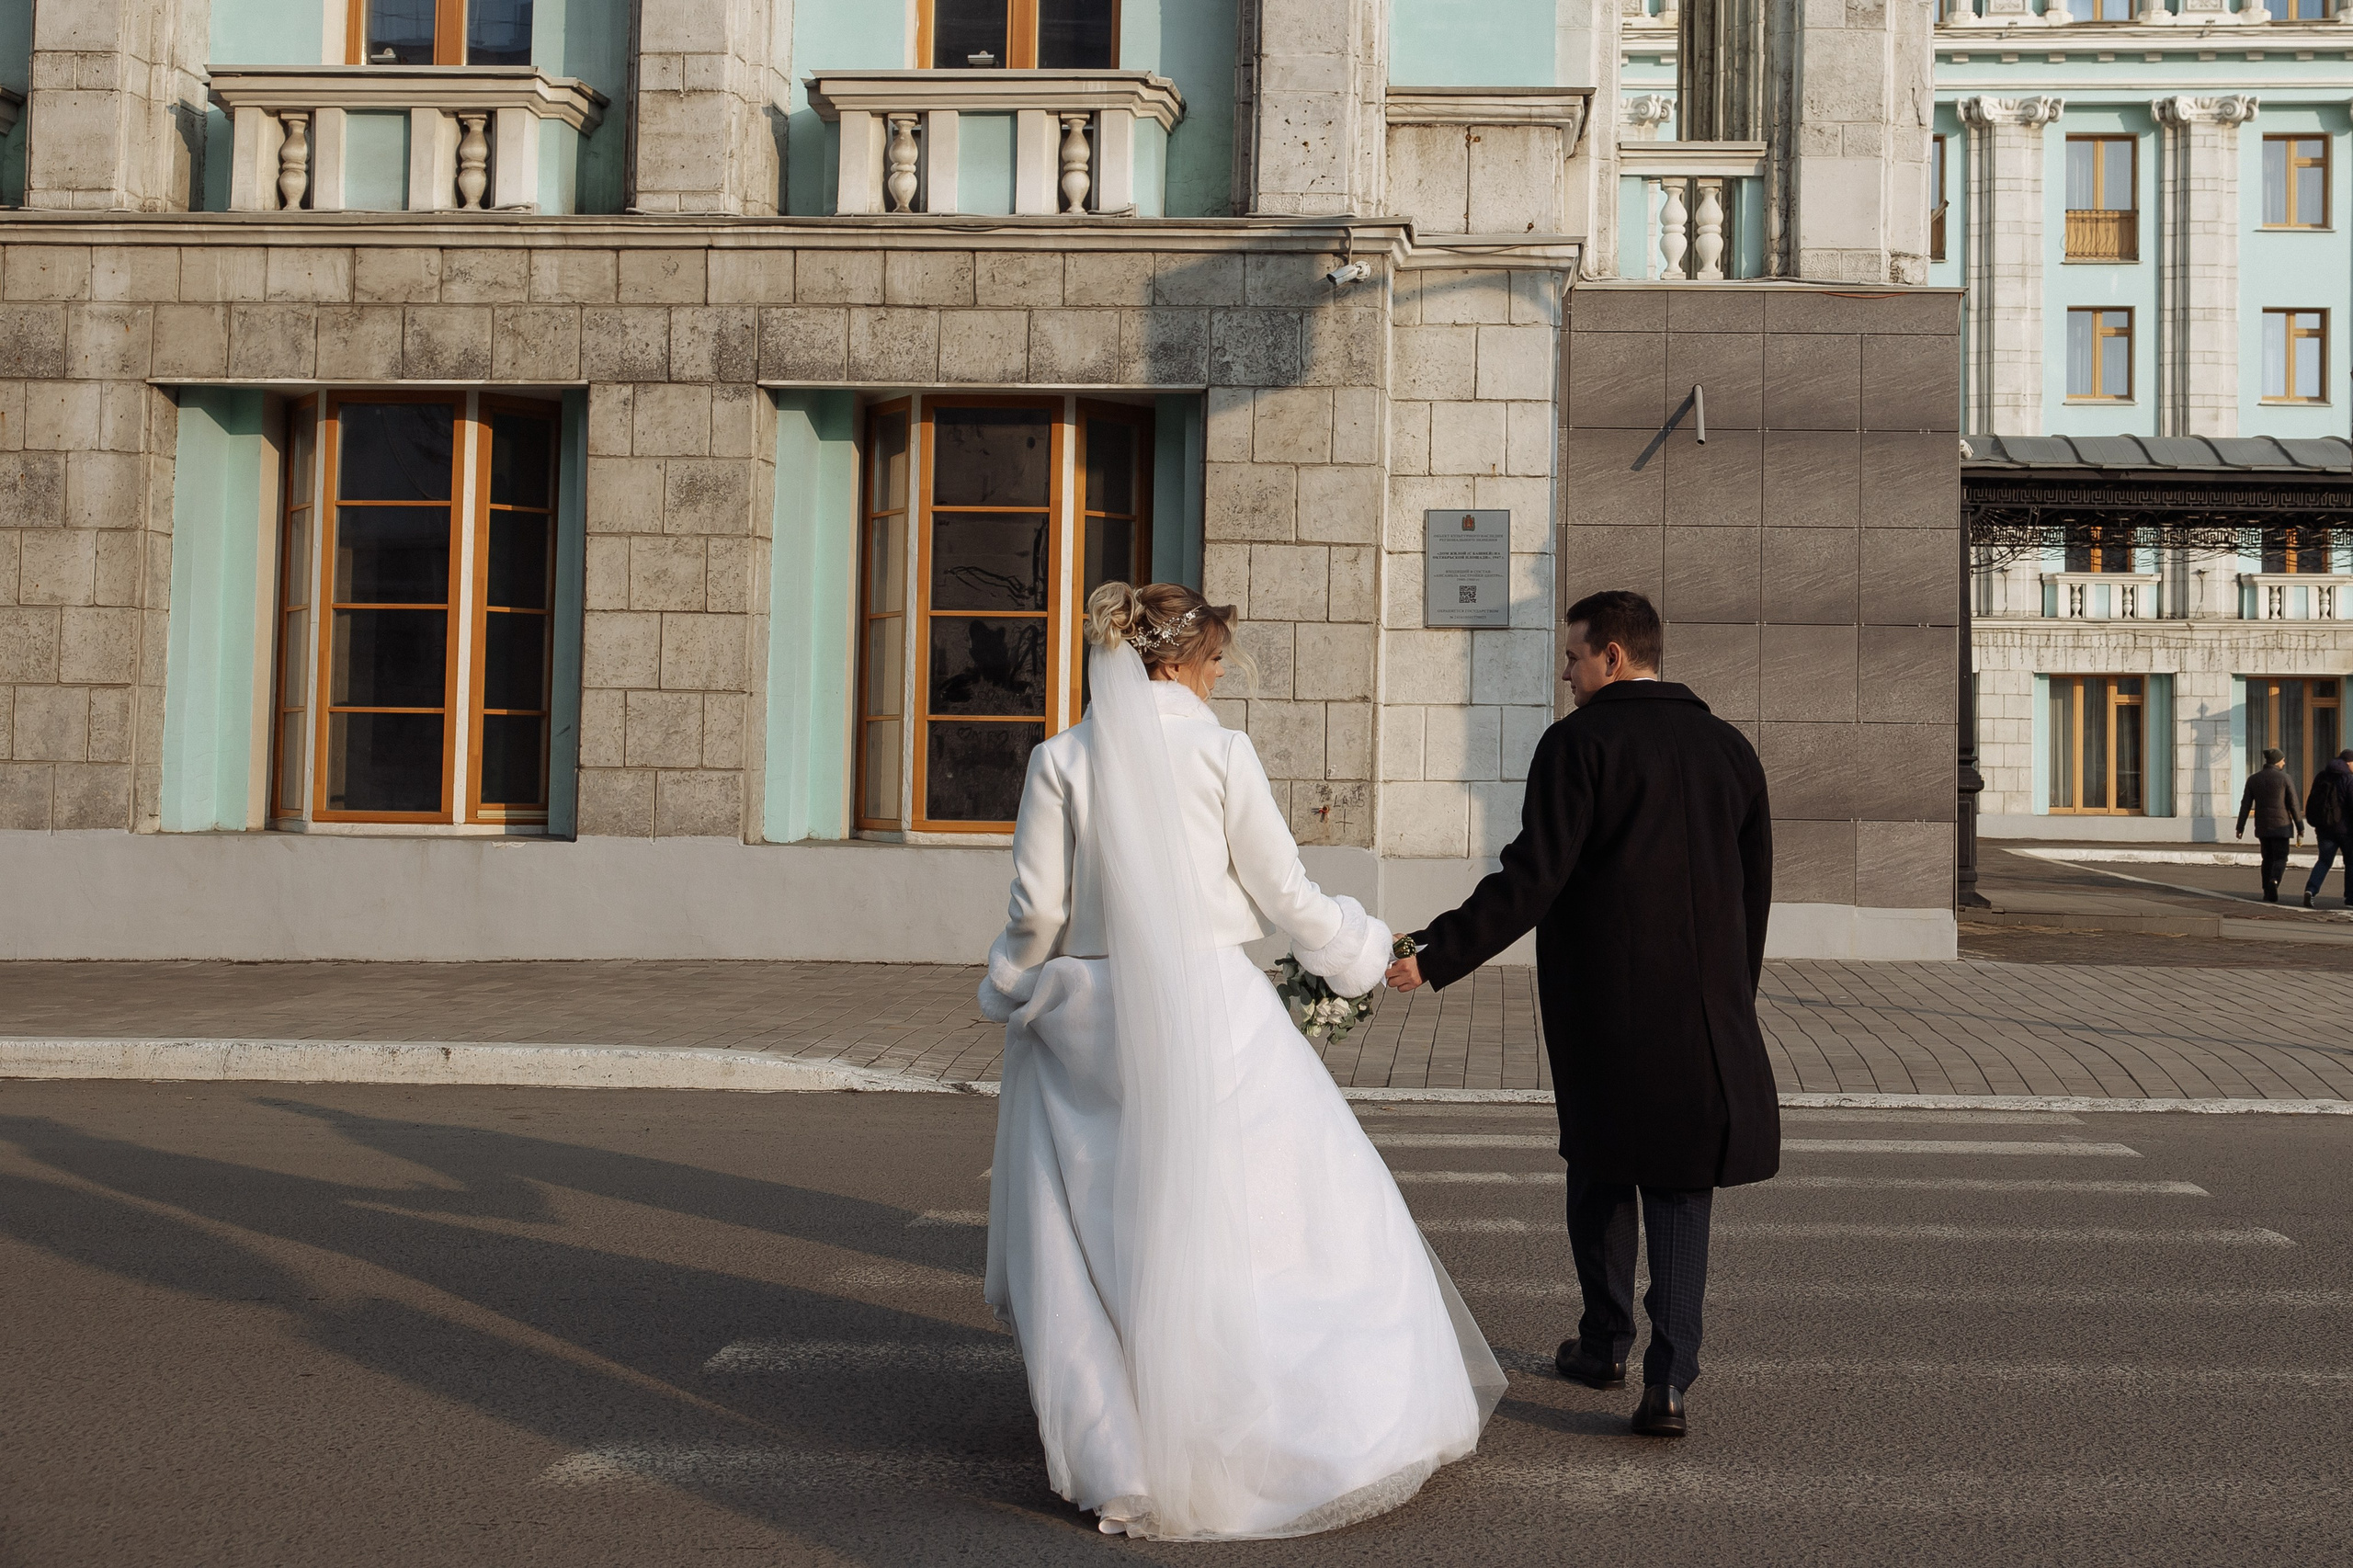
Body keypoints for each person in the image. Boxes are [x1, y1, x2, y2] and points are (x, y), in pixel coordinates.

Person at [978, 581, 1505, 1541]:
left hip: (1093, 1015)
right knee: (1271, 1221)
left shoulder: (1060, 758)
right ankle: (1274, 1429)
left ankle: (1123, 1448)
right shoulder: (1221, 752)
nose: (1221, 676)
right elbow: (1283, 889)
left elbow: (1037, 909)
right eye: (1216, 659)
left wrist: (1012, 985)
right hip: (1211, 1006)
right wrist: (1357, 949)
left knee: (1104, 1232)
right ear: (1180, 662)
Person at [1384, 588, 1778, 1440]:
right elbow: (1754, 894)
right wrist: (1731, 1000)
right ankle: (1668, 1383)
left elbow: (1533, 878)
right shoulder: (1730, 749)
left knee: (1602, 1169)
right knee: (1680, 1188)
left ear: (1613, 656)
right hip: (1705, 1014)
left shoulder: (1579, 744)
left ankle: (1604, 1345)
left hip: (1608, 1007)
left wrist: (1436, 952)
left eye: (1573, 657)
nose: (1565, 673)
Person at [2236, 746, 2304, 903]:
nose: (2284, 763)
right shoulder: (2285, 779)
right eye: (2283, 760)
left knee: (2267, 858)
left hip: (2263, 826)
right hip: (2282, 826)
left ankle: (2267, 891)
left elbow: (2245, 805)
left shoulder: (2253, 779)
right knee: (2281, 857)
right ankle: (2274, 880)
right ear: (2276, 761)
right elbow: (2293, 804)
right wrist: (2300, 826)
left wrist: (2240, 826)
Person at [2302, 749, 2353, 908]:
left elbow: (2312, 800)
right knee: (2351, 862)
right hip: (2346, 830)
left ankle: (2310, 890)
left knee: (2324, 861)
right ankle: (2350, 898)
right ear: (2348, 762)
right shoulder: (2349, 779)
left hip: (2324, 828)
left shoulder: (2321, 776)